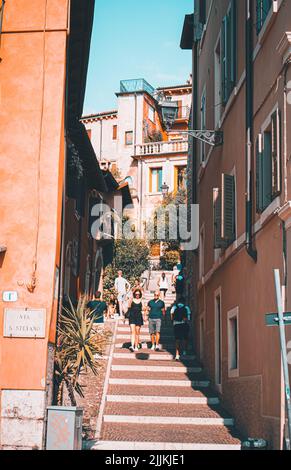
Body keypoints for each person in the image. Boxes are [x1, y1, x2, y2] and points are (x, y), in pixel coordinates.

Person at [170, 296, 191, 361]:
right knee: (185, 338)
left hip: (176, 324)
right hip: (184, 324)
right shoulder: (186, 307)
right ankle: (184, 351)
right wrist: (187, 321)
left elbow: (171, 313)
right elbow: (189, 316)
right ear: (184, 301)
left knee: (177, 339)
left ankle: (177, 354)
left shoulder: (174, 307)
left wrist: (172, 321)